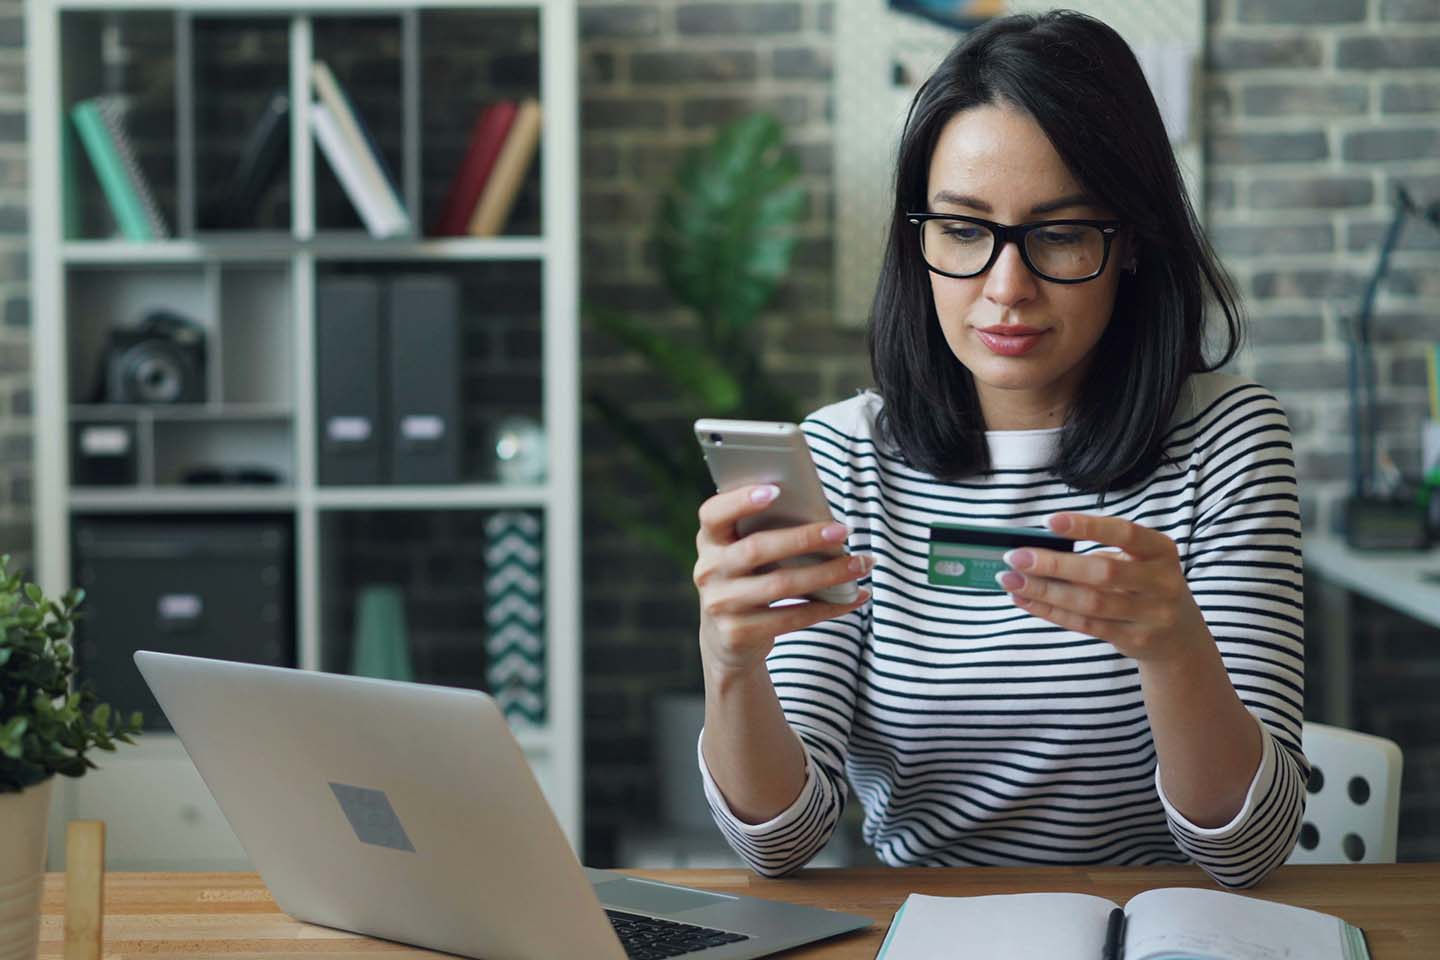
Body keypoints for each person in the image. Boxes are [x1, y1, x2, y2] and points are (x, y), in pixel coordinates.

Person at [691, 10, 1306, 889]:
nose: (1005, 289)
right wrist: (731, 664)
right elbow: (777, 847)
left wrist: (1175, 652)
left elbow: (1250, 850)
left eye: (1058, 234)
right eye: (964, 231)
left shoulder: (1228, 440)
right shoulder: (841, 459)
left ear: (1128, 241)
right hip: (918, 931)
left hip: (1163, 929)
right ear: (919, 239)